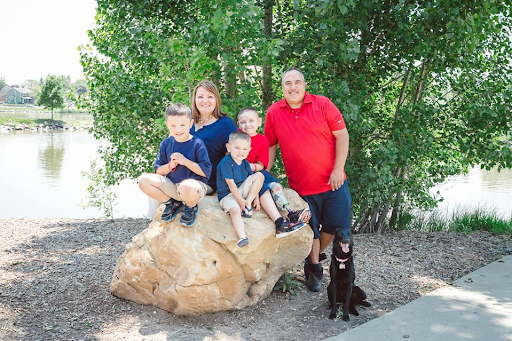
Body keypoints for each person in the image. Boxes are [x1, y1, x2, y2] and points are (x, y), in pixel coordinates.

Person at [264, 68, 351, 292]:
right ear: (282, 87)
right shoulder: (274, 112)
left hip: (334, 182)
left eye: (297, 82)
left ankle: (312, 255)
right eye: (287, 83)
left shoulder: (323, 104)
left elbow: (342, 135)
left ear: (304, 85)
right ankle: (314, 268)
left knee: (335, 225)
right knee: (310, 228)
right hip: (301, 187)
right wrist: (263, 173)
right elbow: (270, 145)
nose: (293, 87)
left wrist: (338, 169)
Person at [216, 132, 306, 247]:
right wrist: (239, 200)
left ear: (249, 150)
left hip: (242, 191)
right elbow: (230, 183)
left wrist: (255, 198)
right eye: (237, 148)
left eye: (244, 149)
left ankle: (248, 203)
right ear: (228, 147)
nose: (241, 152)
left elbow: (251, 179)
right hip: (228, 194)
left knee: (260, 176)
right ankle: (242, 236)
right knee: (235, 210)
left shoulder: (245, 163)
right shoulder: (226, 163)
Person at [139, 103, 212, 227]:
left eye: (182, 125)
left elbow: (205, 172)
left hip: (193, 187)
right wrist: (170, 166)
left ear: (190, 124)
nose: (178, 129)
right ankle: (171, 203)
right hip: (173, 187)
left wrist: (185, 161)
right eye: (173, 125)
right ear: (167, 125)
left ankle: (191, 207)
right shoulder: (166, 143)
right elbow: (158, 171)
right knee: (143, 180)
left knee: (187, 186)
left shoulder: (197, 144)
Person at [236, 107, 311, 223]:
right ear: (238, 124)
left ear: (259, 121)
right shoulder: (236, 137)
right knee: (262, 187)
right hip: (242, 174)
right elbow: (232, 160)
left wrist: (251, 167)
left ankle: (290, 212)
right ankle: (278, 220)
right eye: (243, 122)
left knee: (275, 186)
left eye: (251, 121)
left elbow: (261, 165)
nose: (247, 125)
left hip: (257, 171)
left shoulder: (262, 140)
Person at [190, 80, 238, 193]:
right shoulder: (186, 119)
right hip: (180, 175)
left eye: (210, 97)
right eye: (200, 96)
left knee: (188, 188)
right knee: (147, 181)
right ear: (195, 99)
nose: (205, 101)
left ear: (216, 99)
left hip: (205, 181)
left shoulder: (225, 124)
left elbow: (233, 159)